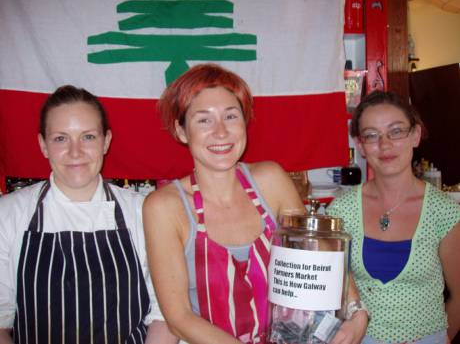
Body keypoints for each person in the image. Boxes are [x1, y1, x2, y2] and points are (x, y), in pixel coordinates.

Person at [143, 63, 368, 344]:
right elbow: (179, 319)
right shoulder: (165, 207)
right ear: (182, 131)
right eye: (204, 120)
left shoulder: (271, 181)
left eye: (231, 116)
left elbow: (321, 257)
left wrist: (357, 313)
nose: (221, 132)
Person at [0, 85, 175, 343]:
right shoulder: (9, 214)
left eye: (88, 137)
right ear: (43, 145)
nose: (75, 152)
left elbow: (166, 314)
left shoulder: (144, 211)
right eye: (61, 138)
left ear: (106, 141)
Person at [327, 90, 460, 343]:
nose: (385, 145)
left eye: (396, 131)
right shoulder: (340, 211)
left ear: (416, 135)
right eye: (372, 135)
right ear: (360, 145)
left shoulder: (446, 213)